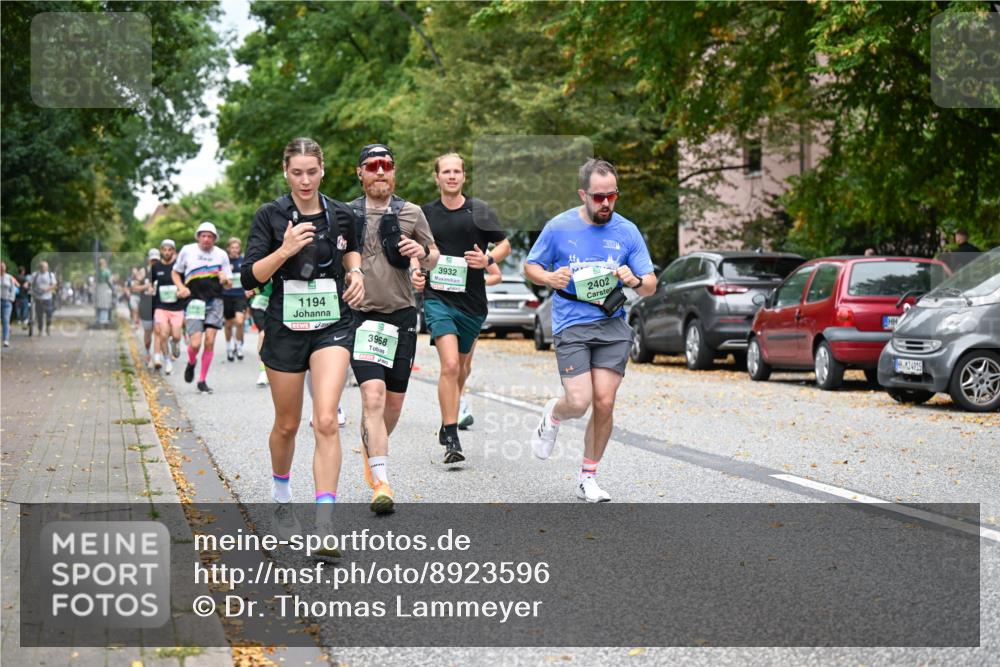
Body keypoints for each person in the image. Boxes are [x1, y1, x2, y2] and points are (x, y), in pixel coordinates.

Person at [242, 137, 364, 553]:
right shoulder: (270, 215)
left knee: (326, 419)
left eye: (312, 171)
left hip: (332, 322)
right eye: (297, 172)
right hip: (285, 326)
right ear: (286, 172)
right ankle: (281, 499)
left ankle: (325, 526)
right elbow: (251, 276)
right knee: (287, 425)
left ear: (323, 170)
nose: (305, 179)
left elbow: (353, 252)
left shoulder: (343, 213)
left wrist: (357, 273)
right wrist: (285, 249)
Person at [524, 158, 656, 503]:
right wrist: (549, 277)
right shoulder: (559, 227)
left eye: (612, 195)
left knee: (605, 401)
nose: (606, 204)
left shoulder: (627, 231)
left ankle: (588, 477)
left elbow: (651, 284)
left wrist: (636, 280)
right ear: (583, 194)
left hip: (612, 324)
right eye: (598, 197)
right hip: (571, 324)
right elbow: (531, 265)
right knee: (579, 401)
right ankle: (554, 414)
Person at [349, 142, 437, 510]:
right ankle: (382, 483)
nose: (380, 171)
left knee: (393, 406)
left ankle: (373, 447)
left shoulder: (411, 212)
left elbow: (433, 257)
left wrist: (422, 256)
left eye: (386, 165)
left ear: (394, 171)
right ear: (361, 173)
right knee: (373, 396)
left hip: (401, 315)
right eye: (373, 166)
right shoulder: (345, 213)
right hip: (361, 316)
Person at [421, 153, 511, 450]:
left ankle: (452, 412)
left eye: (456, 171)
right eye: (445, 171)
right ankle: (451, 434)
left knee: (460, 369)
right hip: (437, 299)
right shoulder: (425, 214)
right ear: (436, 177)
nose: (451, 176)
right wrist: (415, 271)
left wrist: (487, 259)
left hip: (472, 304)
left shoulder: (479, 210)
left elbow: (505, 244)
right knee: (448, 366)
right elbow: (413, 250)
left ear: (463, 176)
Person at [172, 222, 232, 394]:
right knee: (196, 343)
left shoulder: (221, 255)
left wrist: (225, 280)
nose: (206, 239)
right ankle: (191, 362)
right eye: (203, 236)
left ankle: (202, 380)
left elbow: (228, 284)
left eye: (210, 236)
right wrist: (181, 287)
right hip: (194, 301)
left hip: (215, 302)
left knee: (210, 340)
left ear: (214, 239)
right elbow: (176, 272)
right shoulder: (187, 250)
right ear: (198, 237)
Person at [151, 239, 183, 375]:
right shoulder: (156, 267)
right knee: (163, 334)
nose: (167, 252)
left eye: (170, 250)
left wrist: (182, 291)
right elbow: (151, 283)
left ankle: (175, 343)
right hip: (161, 306)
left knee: (176, 335)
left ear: (174, 251)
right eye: (164, 249)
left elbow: (185, 283)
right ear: (161, 251)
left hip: (177, 307)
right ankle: (167, 360)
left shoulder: (178, 266)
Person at [222, 237, 249, 362]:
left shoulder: (243, 261)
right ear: (228, 249)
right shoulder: (224, 261)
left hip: (240, 295)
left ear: (239, 249)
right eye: (232, 248)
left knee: (239, 321)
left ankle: (238, 346)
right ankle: (229, 347)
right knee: (228, 325)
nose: (234, 250)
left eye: (236, 248)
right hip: (226, 296)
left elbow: (248, 276)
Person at [248, 281, 272, 386]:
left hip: (276, 306)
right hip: (259, 305)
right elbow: (259, 287)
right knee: (263, 334)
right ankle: (263, 371)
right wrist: (252, 292)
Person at [29, 260, 58, 335]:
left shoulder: (50, 275)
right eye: (42, 266)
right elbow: (30, 282)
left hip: (48, 297)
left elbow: (54, 285)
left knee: (49, 314)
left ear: (47, 267)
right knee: (39, 315)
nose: (43, 268)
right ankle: (40, 329)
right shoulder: (35, 275)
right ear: (39, 267)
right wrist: (27, 284)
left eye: (45, 266)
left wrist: (47, 289)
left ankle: (48, 326)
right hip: (38, 297)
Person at [139, 251, 157, 369]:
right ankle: (147, 351)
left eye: (156, 260)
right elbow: (134, 287)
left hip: (159, 305)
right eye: (152, 260)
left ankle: (158, 356)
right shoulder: (143, 272)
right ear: (149, 260)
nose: (154, 262)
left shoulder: (164, 270)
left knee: (161, 332)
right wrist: (146, 287)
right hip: (146, 305)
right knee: (148, 332)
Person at [94, 257, 113, 325]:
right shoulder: (107, 271)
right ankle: (104, 319)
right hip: (105, 288)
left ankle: (99, 319)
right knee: (105, 304)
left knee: (99, 304)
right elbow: (110, 281)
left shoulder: (97, 271)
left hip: (99, 288)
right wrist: (112, 288)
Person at [1, 262, 16, 347]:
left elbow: (13, 289)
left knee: (6, 320)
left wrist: (11, 299)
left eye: (3, 267)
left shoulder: (9, 277)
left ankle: (6, 340)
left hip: (6, 301)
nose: (2, 268)